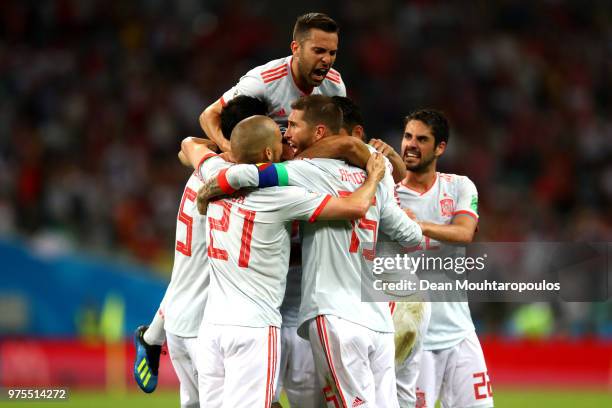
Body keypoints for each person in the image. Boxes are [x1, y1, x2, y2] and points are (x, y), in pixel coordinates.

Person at [198, 95, 424, 407]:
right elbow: (412, 238)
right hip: (377, 317)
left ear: (319, 133)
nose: (285, 133)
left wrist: (218, 182)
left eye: (292, 125)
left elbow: (255, 174)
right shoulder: (377, 168)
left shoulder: (306, 171)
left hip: (332, 313)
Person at [132, 96, 268, 403]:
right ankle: (151, 338)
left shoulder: (205, 165)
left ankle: (151, 338)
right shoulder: (234, 180)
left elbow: (189, 143)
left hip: (180, 319)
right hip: (202, 324)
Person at [396, 109, 493, 408]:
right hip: (413, 339)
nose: (411, 144)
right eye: (408, 136)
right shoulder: (388, 197)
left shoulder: (459, 186)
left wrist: (414, 225)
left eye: (422, 139)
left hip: (459, 333)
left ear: (440, 147)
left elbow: (464, 233)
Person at [200, 12, 345, 152]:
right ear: (296, 49)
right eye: (318, 51)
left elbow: (339, 135)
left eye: (332, 53)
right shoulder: (263, 81)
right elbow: (208, 115)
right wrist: (228, 147)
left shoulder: (335, 85)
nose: (327, 60)